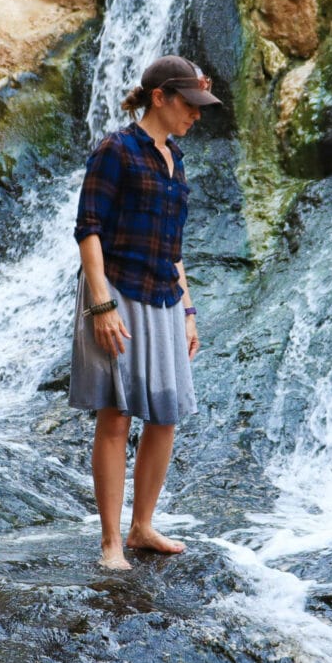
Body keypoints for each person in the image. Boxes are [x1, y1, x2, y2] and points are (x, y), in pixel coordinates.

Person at [69, 55, 218, 570]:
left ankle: (142, 527)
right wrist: (101, 303)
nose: (196, 116)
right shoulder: (116, 149)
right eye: (190, 105)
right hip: (118, 292)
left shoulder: (175, 158)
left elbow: (173, 247)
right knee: (116, 415)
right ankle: (111, 543)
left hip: (164, 297)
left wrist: (189, 309)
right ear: (160, 97)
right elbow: (89, 228)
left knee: (166, 415)